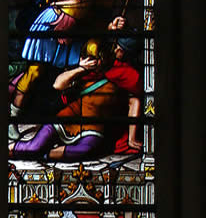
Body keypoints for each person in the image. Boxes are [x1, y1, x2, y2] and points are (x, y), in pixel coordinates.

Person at [10, 37, 143, 162]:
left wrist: (132, 138)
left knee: (82, 151)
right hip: (67, 118)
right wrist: (81, 69)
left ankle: (45, 155)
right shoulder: (85, 71)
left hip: (93, 128)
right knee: (34, 147)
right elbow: (58, 85)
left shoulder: (123, 75)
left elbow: (134, 101)